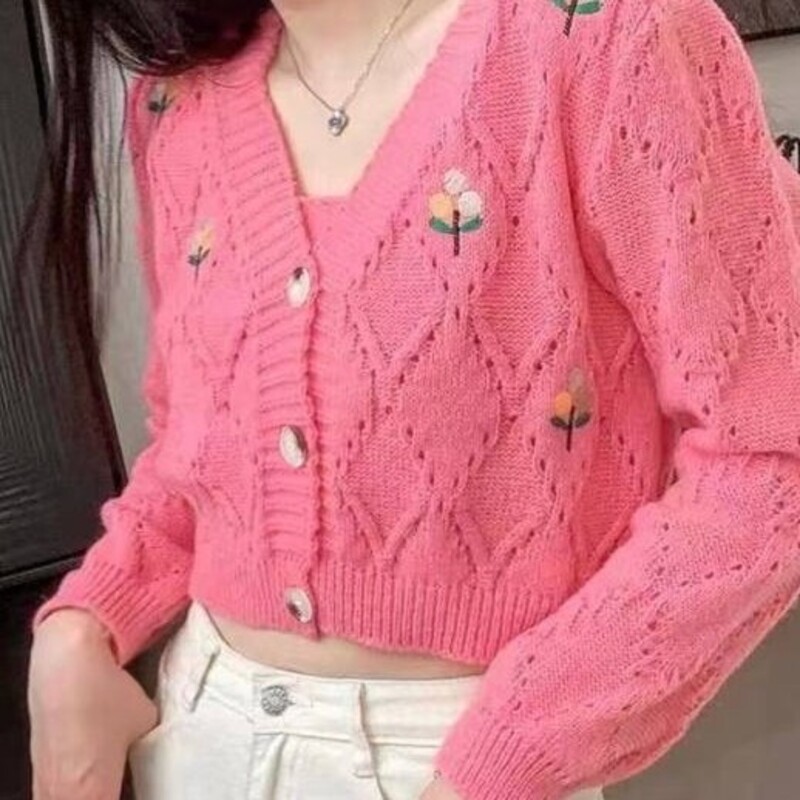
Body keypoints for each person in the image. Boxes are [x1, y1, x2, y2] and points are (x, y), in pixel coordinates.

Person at [25, 0, 800, 797]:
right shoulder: (174, 98)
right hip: (200, 730)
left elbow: (772, 457)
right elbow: (193, 450)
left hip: (467, 759)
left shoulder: (605, 35)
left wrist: (509, 753)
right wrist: (83, 626)